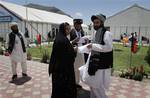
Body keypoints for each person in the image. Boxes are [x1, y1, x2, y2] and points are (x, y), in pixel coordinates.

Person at [86, 14, 113, 98]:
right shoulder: (96, 32)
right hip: (94, 62)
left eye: (97, 22)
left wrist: (93, 46)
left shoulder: (106, 33)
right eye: (94, 23)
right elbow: (95, 46)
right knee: (93, 85)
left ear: (102, 23)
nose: (95, 24)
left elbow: (109, 48)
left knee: (96, 86)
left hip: (101, 64)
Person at [49, 22, 77, 98]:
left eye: (69, 29)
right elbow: (68, 55)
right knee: (64, 90)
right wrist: (74, 50)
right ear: (63, 29)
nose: (68, 31)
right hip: (63, 71)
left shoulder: (59, 37)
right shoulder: (63, 39)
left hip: (58, 69)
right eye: (67, 29)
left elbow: (64, 49)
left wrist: (71, 44)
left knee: (58, 89)